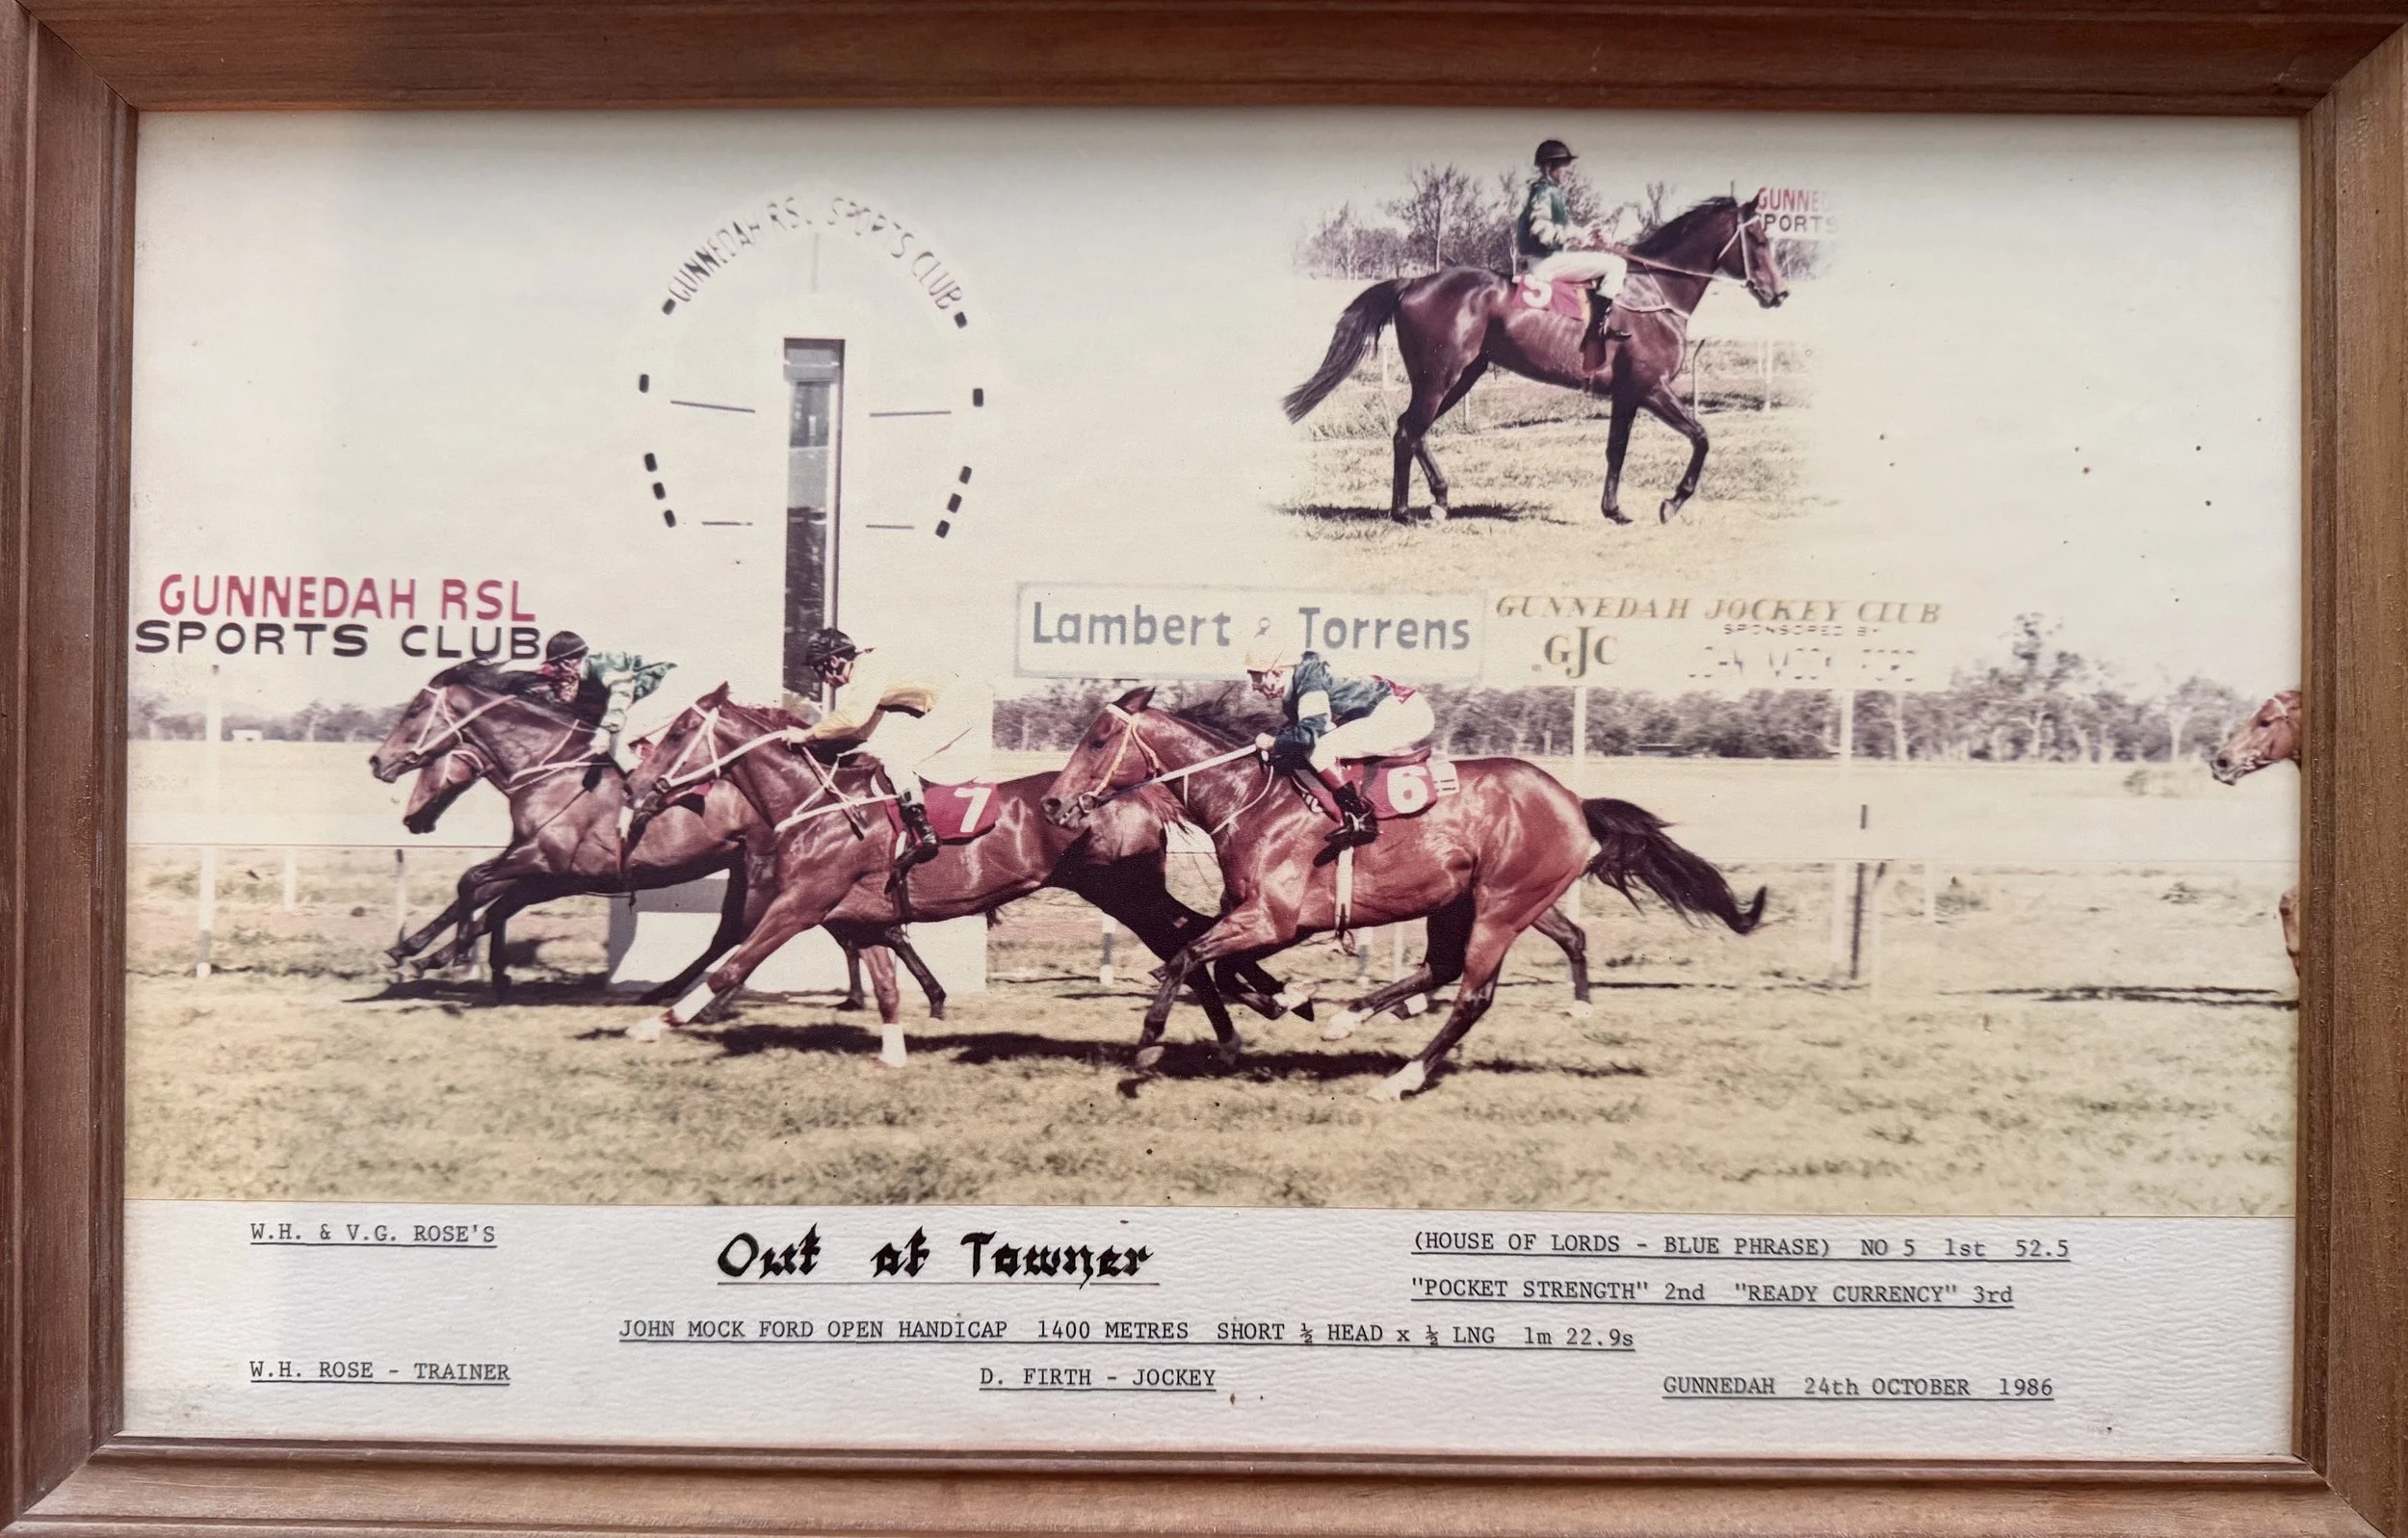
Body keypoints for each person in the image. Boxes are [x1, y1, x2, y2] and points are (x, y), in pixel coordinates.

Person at [789, 626, 987, 877]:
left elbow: (852, 718)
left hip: (960, 700)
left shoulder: (867, 669)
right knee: (897, 754)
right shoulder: (868, 672)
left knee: (898, 758)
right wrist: (817, 743)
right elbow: (862, 732)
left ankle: (924, 834)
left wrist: (807, 734)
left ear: (834, 661)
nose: (822, 679)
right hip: (960, 698)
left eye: (819, 669)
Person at [1244, 639, 1436, 848]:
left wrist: (1274, 743)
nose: (1254, 686)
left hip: (1405, 714)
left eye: (1256, 677)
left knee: (1320, 750)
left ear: (1275, 672)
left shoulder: (1309, 681)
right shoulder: (1298, 686)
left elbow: (1308, 735)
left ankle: (1361, 819)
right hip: (1391, 710)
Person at [1514, 139, 1626, 366]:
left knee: (1607, 262)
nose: (1567, 170)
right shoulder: (1545, 191)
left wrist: (1583, 233)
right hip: (1545, 262)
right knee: (1617, 266)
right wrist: (1575, 236)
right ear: (1549, 167)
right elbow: (1542, 231)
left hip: (1545, 258)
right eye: (1563, 165)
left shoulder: (1548, 190)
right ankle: (1596, 331)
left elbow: (1559, 231)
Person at [534, 631, 674, 774]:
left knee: (614, 740)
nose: (556, 672)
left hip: (669, 686)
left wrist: (606, 730)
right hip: (658, 689)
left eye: (555, 666)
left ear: (567, 662)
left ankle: (643, 786)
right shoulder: (588, 673)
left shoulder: (600, 665)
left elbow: (622, 694)